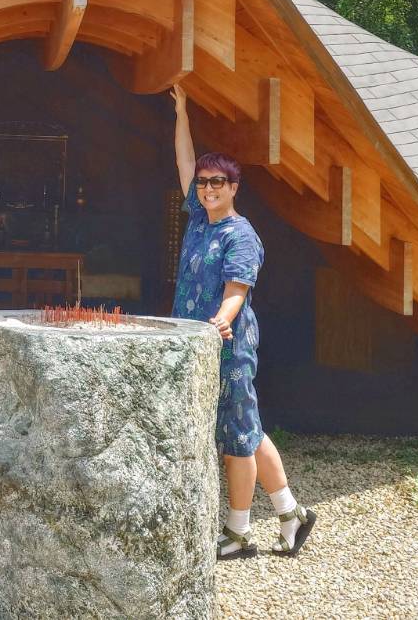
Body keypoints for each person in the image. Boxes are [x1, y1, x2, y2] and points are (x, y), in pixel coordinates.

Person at [169, 83, 316, 560]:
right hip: (199, 341)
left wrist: (219, 324)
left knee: (236, 441)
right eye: (204, 182)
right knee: (250, 431)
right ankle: (292, 515)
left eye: (218, 183)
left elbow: (237, 292)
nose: (208, 188)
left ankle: (237, 533)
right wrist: (182, 114)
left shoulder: (241, 235)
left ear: (233, 188)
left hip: (226, 346)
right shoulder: (197, 218)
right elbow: (184, 162)